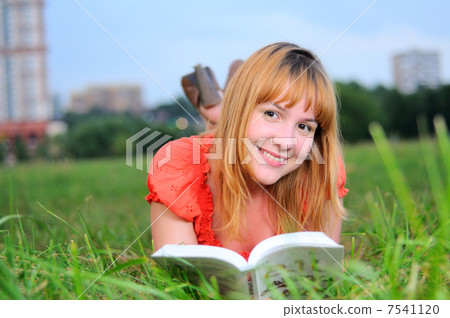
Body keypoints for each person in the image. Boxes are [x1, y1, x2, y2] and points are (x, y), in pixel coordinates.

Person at [146, 42, 348, 260]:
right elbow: (178, 283)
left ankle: (219, 113)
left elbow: (322, 274)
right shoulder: (179, 167)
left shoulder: (322, 170)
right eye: (272, 114)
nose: (286, 142)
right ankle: (222, 113)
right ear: (241, 107)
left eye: (304, 126)